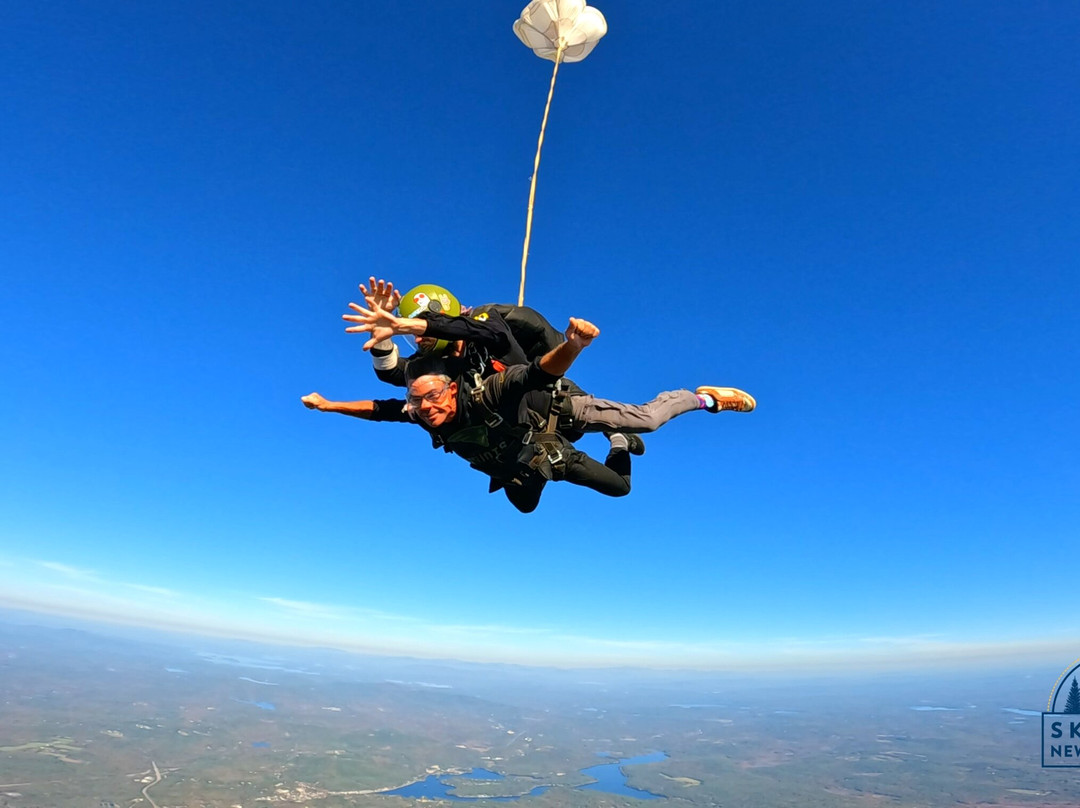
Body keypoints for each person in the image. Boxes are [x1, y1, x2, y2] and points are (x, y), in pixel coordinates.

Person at [302, 317, 755, 512]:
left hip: (560, 410)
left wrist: (572, 347)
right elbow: (383, 409)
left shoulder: (483, 392)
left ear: (453, 387)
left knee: (645, 423)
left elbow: (536, 373)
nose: (428, 407)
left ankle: (701, 398)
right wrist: (329, 405)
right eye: (419, 402)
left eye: (434, 396)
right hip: (533, 456)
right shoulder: (424, 411)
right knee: (525, 505)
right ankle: (614, 447)